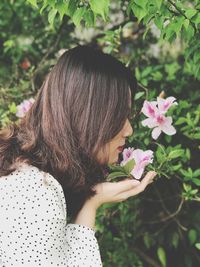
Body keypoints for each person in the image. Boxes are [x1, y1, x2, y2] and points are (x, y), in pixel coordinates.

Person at [0, 45, 156, 267]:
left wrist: (92, 202)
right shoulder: (34, 192)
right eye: (120, 115)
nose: (129, 130)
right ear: (89, 115)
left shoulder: (26, 174)